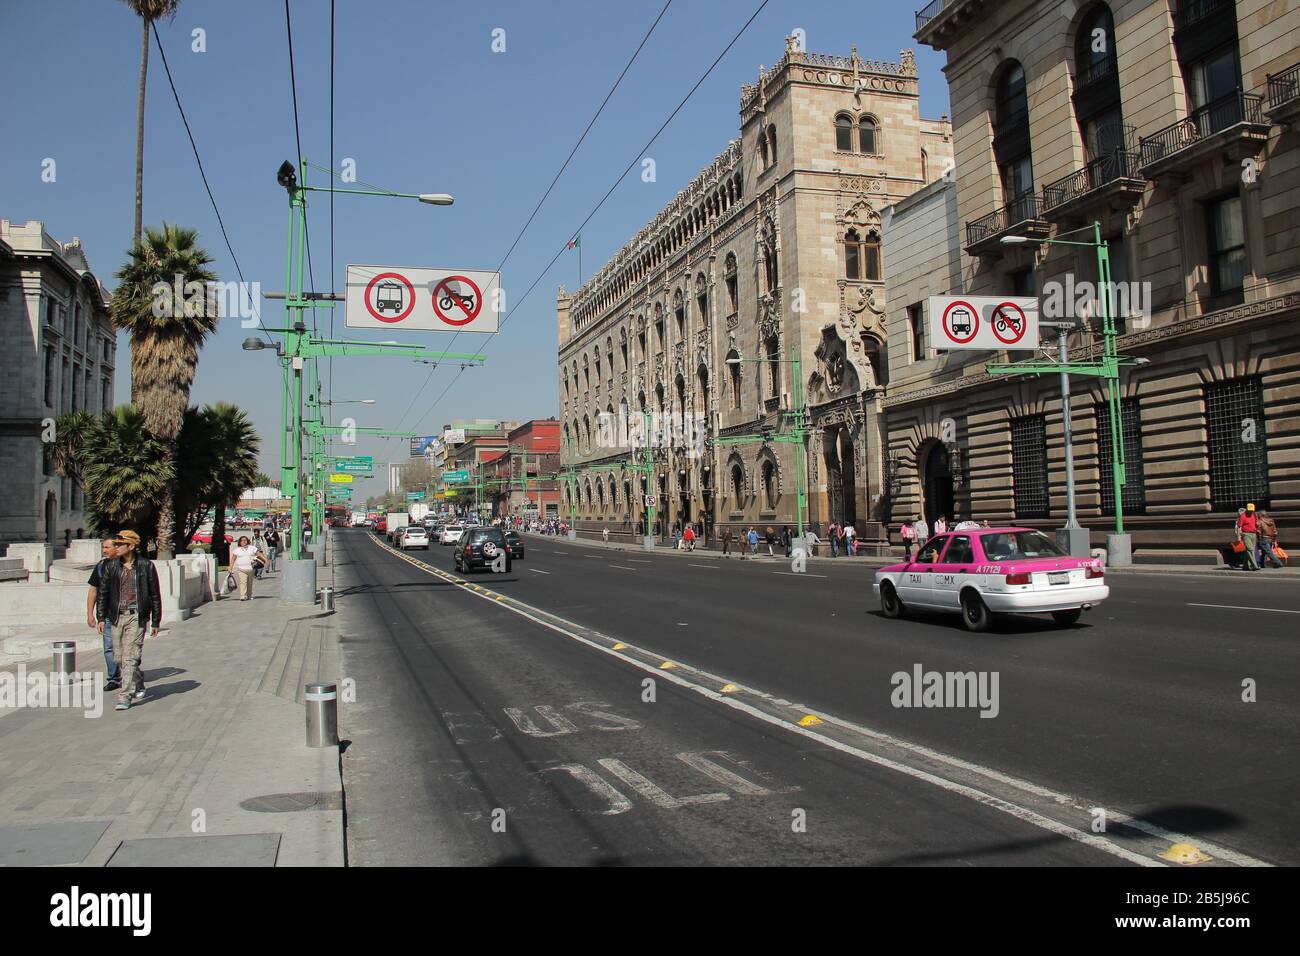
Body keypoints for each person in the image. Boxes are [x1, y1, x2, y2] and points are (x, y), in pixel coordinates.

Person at [97, 530, 160, 711]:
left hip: (136, 616)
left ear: (131, 546)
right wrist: (101, 617)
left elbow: (155, 594)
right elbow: (103, 593)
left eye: (119, 545)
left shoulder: (145, 565)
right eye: (114, 545)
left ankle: (125, 695)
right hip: (116, 617)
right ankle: (138, 681)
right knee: (118, 658)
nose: (115, 548)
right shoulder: (111, 566)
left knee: (130, 657)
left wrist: (155, 620)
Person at [87, 537, 122, 691]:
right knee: (109, 648)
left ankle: (130, 673)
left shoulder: (127, 565)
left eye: (107, 547)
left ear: (117, 548)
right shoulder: (101, 566)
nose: (104, 550)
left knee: (128, 647)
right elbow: (93, 590)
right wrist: (91, 614)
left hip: (126, 613)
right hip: (107, 615)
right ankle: (114, 678)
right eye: (103, 547)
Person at [230, 535, 263, 600]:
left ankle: (249, 595)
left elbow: (259, 554)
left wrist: (265, 560)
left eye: (245, 540)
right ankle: (243, 596)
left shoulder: (252, 548)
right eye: (242, 540)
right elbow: (233, 559)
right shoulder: (237, 550)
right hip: (241, 569)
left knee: (249, 583)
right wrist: (230, 567)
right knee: (243, 582)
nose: (244, 542)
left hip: (251, 569)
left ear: (247, 541)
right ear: (240, 542)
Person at [1236, 503, 1261, 571]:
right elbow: (1239, 527)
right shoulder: (1243, 516)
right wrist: (1238, 537)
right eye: (1250, 510)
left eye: (1252, 510)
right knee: (1250, 550)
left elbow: (1257, 523)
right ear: (1247, 509)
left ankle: (1245, 566)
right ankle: (1254, 565)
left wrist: (1258, 525)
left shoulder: (1254, 515)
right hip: (1246, 534)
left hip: (1254, 534)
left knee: (1249, 550)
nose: (1251, 511)